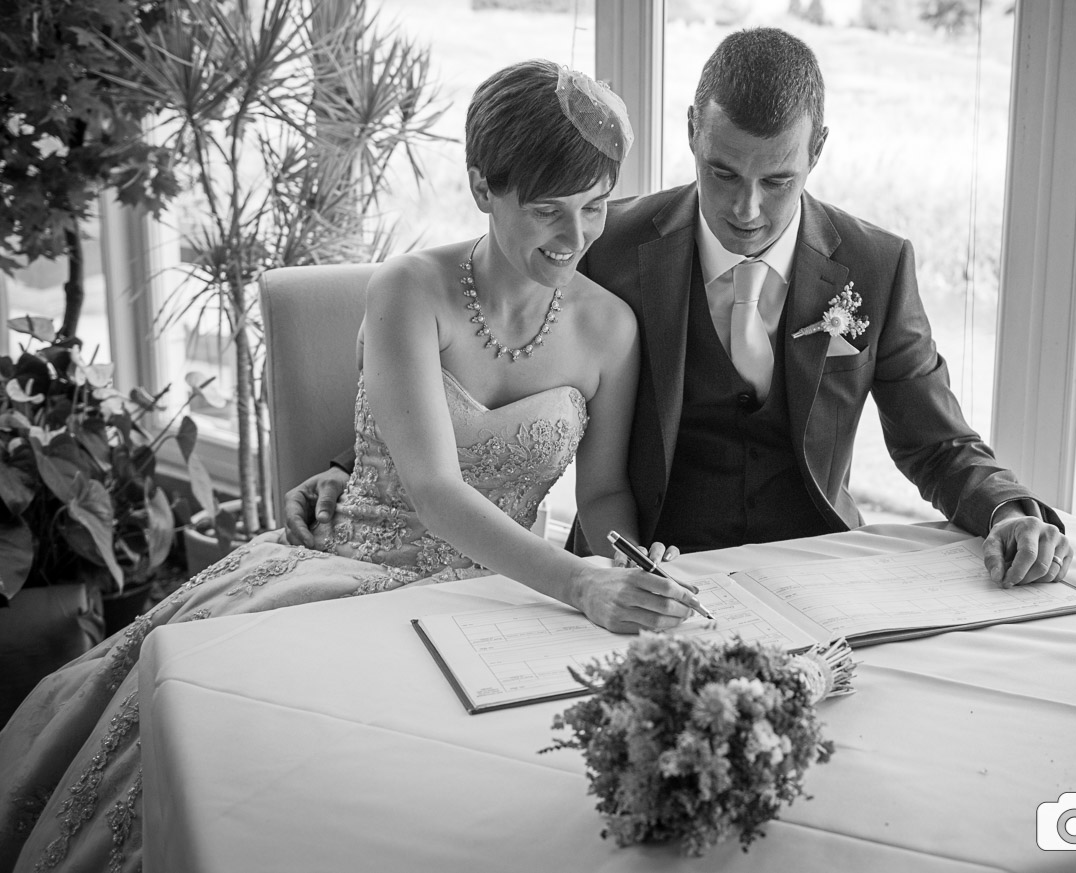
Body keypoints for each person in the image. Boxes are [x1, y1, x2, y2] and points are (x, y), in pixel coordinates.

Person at [0, 60, 701, 873]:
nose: (576, 238)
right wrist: (579, 584)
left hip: (505, 597)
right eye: (548, 210)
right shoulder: (411, 289)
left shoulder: (610, 326)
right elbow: (436, 491)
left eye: (594, 207)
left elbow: (606, 488)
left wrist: (628, 575)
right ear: (483, 185)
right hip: (354, 574)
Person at [289, 28, 1073, 587]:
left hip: (815, 572)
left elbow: (936, 443)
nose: (748, 209)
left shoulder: (875, 264)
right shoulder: (602, 236)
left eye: (778, 181)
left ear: (818, 150)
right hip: (644, 565)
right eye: (723, 172)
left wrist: (1006, 507)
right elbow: (485, 306)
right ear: (692, 129)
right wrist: (357, 464)